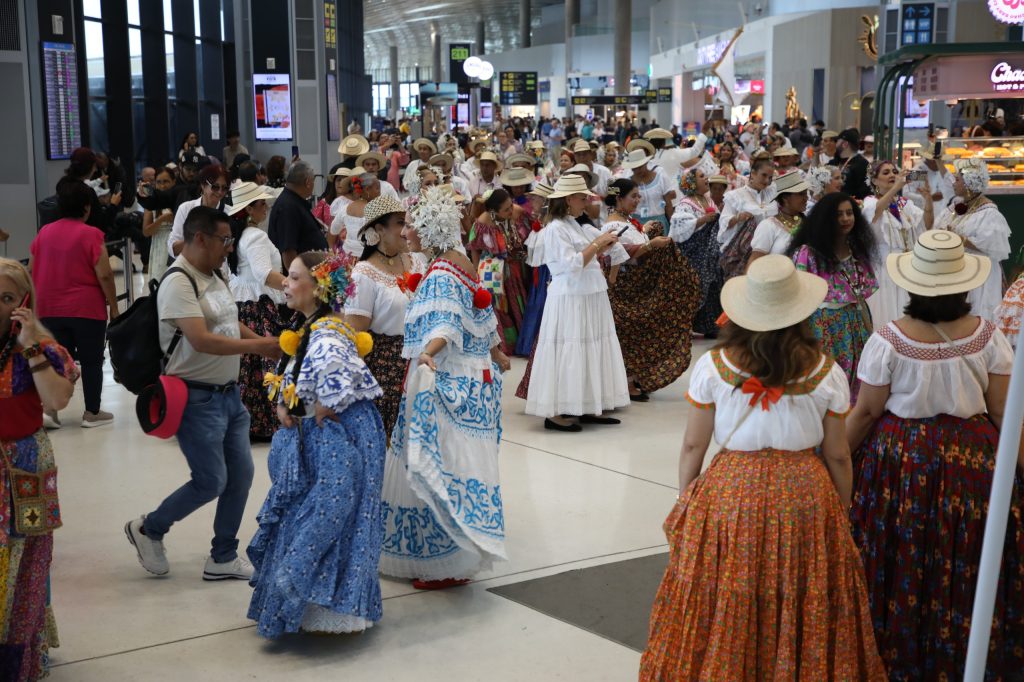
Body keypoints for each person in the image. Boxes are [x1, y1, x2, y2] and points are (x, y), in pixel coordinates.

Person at [640, 255, 886, 681]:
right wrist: (841, 508)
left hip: (732, 491)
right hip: (805, 493)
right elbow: (838, 454)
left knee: (727, 592)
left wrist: (686, 497)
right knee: (801, 591)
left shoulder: (714, 366)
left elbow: (694, 443)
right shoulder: (825, 371)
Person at [846, 230, 1024, 680]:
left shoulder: (888, 340)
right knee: (963, 553)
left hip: (900, 464)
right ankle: (967, 645)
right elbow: (1004, 411)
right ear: (964, 286)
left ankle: (897, 647)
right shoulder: (986, 337)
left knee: (899, 550)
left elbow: (866, 412)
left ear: (912, 285)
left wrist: (834, 459)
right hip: (973, 463)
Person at [124, 206, 280, 581]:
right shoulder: (179, 281)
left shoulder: (215, 275)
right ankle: (149, 528)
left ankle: (223, 556)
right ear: (200, 238)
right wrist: (258, 349)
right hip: (195, 399)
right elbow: (201, 339)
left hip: (230, 396)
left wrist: (261, 340)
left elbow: (228, 321)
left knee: (240, 476)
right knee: (211, 480)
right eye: (223, 240)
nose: (228, 248)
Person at [247, 251, 386, 637]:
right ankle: (314, 604)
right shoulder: (317, 328)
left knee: (328, 512)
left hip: (338, 435)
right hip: (334, 433)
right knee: (326, 513)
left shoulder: (325, 335)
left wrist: (323, 403)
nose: (285, 284)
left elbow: (333, 372)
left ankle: (315, 599)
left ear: (318, 286)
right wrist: (288, 403)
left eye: (292, 278)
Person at [380, 186, 511, 589]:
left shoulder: (438, 274)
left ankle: (445, 562)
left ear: (429, 230)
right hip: (475, 378)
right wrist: (498, 355)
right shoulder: (460, 264)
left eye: (411, 226)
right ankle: (462, 552)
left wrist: (429, 354)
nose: (405, 234)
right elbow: (480, 310)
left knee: (440, 463)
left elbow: (445, 324)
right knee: (463, 462)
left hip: (447, 378)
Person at [0, 259, 77, 681]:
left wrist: (29, 345)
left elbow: (57, 401)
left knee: (26, 564)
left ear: (24, 303)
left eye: (8, 298)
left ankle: (18, 656)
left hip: (25, 467)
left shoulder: (43, 350)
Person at [525, 175, 630, 431]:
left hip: (589, 293)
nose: (587, 202)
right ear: (568, 199)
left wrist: (600, 247)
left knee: (591, 348)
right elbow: (569, 265)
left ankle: (586, 404)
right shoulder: (554, 229)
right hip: (571, 297)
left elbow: (584, 256)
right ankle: (558, 411)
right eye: (582, 198)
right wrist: (597, 244)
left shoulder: (572, 224)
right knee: (572, 349)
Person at [30, 177, 119, 428]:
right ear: (87, 207)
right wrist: (113, 304)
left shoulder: (44, 232)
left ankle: (51, 411)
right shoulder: (91, 234)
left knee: (57, 360)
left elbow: (32, 269)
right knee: (91, 361)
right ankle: (91, 413)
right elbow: (104, 273)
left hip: (49, 309)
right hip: (86, 310)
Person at [602, 178, 698, 400]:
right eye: (633, 196)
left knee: (639, 333)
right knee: (631, 334)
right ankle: (626, 381)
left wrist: (648, 231)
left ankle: (634, 377)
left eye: (638, 195)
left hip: (638, 285)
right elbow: (619, 252)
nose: (638, 200)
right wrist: (650, 245)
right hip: (627, 287)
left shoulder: (627, 221)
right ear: (619, 199)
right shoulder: (611, 225)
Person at [344, 195, 428, 439]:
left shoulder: (417, 260)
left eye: (407, 223)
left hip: (424, 358)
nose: (405, 231)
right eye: (400, 223)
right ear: (378, 229)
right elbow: (356, 335)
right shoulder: (364, 273)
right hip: (386, 369)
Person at [788, 192, 878, 398]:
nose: (846, 219)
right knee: (826, 383)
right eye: (839, 214)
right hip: (822, 327)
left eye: (850, 213)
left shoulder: (856, 249)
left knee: (858, 381)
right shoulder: (807, 253)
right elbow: (798, 296)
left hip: (857, 323)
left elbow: (864, 286)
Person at [226, 181, 287, 441]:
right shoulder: (255, 236)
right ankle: (267, 420)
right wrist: (296, 285)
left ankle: (249, 421)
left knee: (248, 363)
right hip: (259, 304)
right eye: (262, 204)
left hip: (243, 303)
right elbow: (264, 274)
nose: (266, 208)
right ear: (250, 209)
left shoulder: (239, 235)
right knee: (267, 358)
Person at [933, 160, 1011, 321]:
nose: (953, 182)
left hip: (980, 273)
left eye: (958, 179)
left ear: (969, 183)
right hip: (957, 270)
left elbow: (994, 247)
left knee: (977, 314)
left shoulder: (989, 213)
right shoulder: (956, 205)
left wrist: (958, 239)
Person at [862, 160, 932, 329]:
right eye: (885, 173)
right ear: (874, 181)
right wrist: (895, 187)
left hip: (906, 265)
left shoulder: (903, 204)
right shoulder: (870, 201)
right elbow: (874, 214)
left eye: (894, 171)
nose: (892, 175)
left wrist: (928, 200)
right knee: (886, 312)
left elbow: (926, 225)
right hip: (883, 266)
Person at [468, 189, 531, 355]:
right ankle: (505, 345)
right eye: (506, 209)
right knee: (499, 307)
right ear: (493, 211)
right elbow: (474, 247)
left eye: (511, 205)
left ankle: (524, 342)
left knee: (518, 302)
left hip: (516, 267)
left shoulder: (517, 212)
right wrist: (476, 272)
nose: (511, 211)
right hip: (493, 270)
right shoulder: (482, 222)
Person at [671, 169, 725, 337]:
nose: (706, 178)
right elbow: (677, 229)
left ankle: (710, 325)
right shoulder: (685, 203)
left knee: (711, 287)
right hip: (694, 254)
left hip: (709, 254)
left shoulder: (707, 200)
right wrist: (702, 220)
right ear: (691, 182)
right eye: (701, 176)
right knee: (696, 287)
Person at [718, 152, 777, 279]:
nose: (767, 181)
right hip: (742, 254)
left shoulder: (771, 192)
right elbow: (724, 221)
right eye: (764, 175)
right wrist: (738, 218)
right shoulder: (735, 196)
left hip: (768, 252)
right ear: (753, 173)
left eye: (770, 177)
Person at [268, 161, 327, 269]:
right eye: (313, 181)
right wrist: (297, 279)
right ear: (308, 182)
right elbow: (288, 252)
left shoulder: (294, 201)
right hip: (302, 277)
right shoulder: (288, 207)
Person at [747, 171, 809, 265]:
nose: (806, 198)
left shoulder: (809, 223)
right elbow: (755, 262)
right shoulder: (768, 226)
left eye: (806, 193)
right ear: (785, 199)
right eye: (801, 194)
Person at [167, 164, 229, 259]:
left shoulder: (230, 212)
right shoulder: (185, 209)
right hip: (191, 266)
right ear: (203, 185)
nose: (220, 192)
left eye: (224, 188)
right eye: (215, 187)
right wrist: (197, 239)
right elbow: (173, 248)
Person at [143, 167, 177, 280]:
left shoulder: (180, 199)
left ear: (174, 181)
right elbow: (146, 231)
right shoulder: (151, 202)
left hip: (177, 245)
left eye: (166, 181)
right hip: (159, 247)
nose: (162, 186)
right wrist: (162, 219)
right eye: (159, 182)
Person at [829, 129, 870, 200]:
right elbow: (818, 181)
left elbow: (865, 192)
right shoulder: (833, 162)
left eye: (837, 141)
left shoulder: (862, 164)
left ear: (845, 144)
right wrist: (816, 154)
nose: (835, 144)